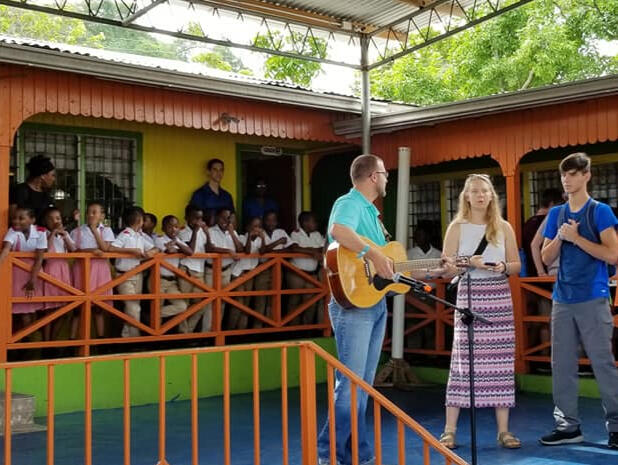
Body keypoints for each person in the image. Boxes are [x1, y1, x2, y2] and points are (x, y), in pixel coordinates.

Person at [317, 154, 438, 465]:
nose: (387, 178)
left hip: (373, 303)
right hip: (353, 305)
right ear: (372, 176)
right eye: (384, 173)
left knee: (362, 386)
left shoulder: (373, 215)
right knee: (350, 385)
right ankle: (328, 454)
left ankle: (357, 453)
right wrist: (372, 253)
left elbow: (393, 266)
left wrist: (435, 268)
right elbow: (339, 231)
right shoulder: (351, 202)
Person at [539, 152, 618, 449]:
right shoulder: (556, 214)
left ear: (586, 175)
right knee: (561, 365)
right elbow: (546, 258)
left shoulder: (600, 212)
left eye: (572, 173)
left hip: (593, 297)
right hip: (562, 299)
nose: (566, 179)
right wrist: (561, 237)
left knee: (603, 363)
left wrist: (577, 238)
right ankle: (568, 426)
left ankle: (617, 426)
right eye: (563, 174)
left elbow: (613, 255)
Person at [439, 173, 521, 450]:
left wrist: (503, 268)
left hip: (499, 296)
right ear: (466, 196)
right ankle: (449, 430)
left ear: (491, 195)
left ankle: (504, 431)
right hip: (469, 294)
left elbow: (516, 264)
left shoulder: (504, 227)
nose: (480, 195)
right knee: (463, 362)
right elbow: (446, 267)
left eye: (484, 191)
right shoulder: (457, 228)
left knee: (500, 363)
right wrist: (468, 262)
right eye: (474, 191)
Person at [70, 202, 115, 339]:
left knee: (99, 308)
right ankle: (72, 341)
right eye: (89, 212)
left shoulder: (106, 230)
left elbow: (105, 248)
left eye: (95, 212)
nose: (91, 215)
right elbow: (74, 250)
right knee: (77, 308)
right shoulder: (77, 231)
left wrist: (95, 230)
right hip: (81, 269)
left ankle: (100, 341)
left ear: (102, 216)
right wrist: (90, 251)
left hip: (100, 270)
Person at [110, 206, 156, 338]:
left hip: (138, 274)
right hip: (124, 276)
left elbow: (154, 247)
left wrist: (150, 253)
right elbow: (112, 248)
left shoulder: (140, 236)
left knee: (133, 307)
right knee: (133, 308)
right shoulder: (125, 235)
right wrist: (131, 251)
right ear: (139, 220)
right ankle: (136, 339)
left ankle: (126, 337)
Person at [0, 206, 46, 328]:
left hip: (34, 273)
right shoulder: (12, 231)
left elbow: (40, 258)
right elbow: (6, 249)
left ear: (32, 220)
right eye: (14, 218)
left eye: (21, 218)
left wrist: (32, 280)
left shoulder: (41, 231)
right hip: (17, 273)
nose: (16, 221)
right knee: (23, 309)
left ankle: (32, 341)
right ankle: (27, 342)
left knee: (33, 308)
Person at [200, 208, 245, 331]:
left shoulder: (232, 232)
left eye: (228, 218)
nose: (226, 220)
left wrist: (232, 234)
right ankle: (206, 334)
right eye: (223, 217)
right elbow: (210, 248)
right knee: (209, 303)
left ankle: (217, 331)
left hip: (226, 271)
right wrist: (228, 251)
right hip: (212, 270)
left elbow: (240, 249)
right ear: (217, 218)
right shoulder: (211, 231)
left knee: (222, 303)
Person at [253, 210, 295, 329]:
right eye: (268, 220)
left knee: (274, 299)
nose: (271, 223)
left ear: (277, 222)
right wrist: (278, 242)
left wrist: (272, 252)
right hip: (263, 270)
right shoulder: (259, 233)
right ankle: (257, 328)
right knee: (260, 299)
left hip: (277, 269)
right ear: (264, 221)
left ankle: (271, 327)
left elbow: (291, 249)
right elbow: (262, 251)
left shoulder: (281, 232)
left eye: (274, 220)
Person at [153, 215, 194, 333]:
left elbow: (190, 252)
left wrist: (177, 244)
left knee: (182, 306)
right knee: (157, 306)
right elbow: (169, 251)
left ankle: (151, 316)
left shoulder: (178, 240)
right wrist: (176, 249)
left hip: (172, 282)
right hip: (159, 280)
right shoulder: (159, 239)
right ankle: (155, 336)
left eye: (176, 227)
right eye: (170, 226)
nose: (174, 229)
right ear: (163, 228)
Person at [41, 207, 76, 341]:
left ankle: (53, 340)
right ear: (45, 221)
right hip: (51, 271)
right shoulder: (43, 233)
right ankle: (46, 342)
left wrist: (65, 235)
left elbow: (73, 249)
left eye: (58, 218)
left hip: (64, 271)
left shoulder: (64, 235)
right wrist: (53, 233)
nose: (55, 221)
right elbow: (46, 251)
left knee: (64, 309)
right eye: (51, 219)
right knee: (49, 310)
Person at [288, 211, 325, 325]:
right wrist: (312, 252)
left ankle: (306, 328)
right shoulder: (296, 234)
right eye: (313, 221)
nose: (316, 224)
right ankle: (292, 328)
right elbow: (294, 248)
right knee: (295, 301)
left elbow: (322, 249)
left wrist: (310, 251)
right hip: (296, 273)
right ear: (305, 222)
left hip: (312, 274)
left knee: (310, 302)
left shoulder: (317, 235)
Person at [178, 204, 209, 332]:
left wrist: (207, 233)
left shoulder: (203, 232)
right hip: (186, 270)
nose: (198, 221)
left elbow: (209, 248)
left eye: (200, 218)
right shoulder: (182, 232)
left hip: (200, 271)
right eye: (195, 218)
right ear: (187, 218)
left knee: (201, 304)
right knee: (183, 304)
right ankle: (182, 334)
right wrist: (195, 232)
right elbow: (190, 249)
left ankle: (188, 331)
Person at [228, 216, 263, 330]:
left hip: (250, 274)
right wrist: (249, 236)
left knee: (246, 306)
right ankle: (230, 331)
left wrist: (263, 238)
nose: (256, 229)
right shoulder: (242, 237)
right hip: (238, 273)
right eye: (254, 226)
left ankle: (241, 331)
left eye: (258, 227)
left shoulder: (259, 240)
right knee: (238, 304)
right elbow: (246, 250)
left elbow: (264, 251)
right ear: (248, 227)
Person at [522, 188, 564, 277]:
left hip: (532, 272)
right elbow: (535, 244)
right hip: (554, 269)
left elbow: (533, 244)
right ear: (552, 203)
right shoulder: (554, 215)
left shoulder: (527, 224)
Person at [9, 155, 56, 222]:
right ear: (42, 176)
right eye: (52, 175)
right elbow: (13, 219)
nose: (54, 179)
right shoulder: (19, 190)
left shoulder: (46, 195)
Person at [189, 159, 235, 226]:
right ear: (208, 172)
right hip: (206, 233)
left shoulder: (227, 195)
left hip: (224, 233)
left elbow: (232, 216)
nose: (218, 173)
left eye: (221, 170)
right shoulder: (199, 194)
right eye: (215, 170)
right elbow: (193, 218)